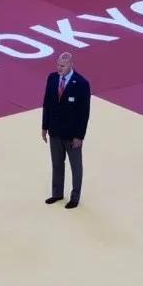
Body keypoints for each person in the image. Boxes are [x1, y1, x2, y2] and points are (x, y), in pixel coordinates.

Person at [42, 52, 91, 209]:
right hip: (55, 131)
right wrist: (44, 127)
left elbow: (84, 113)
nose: (59, 68)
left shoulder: (82, 83)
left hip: (72, 135)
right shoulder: (52, 78)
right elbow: (47, 104)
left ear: (70, 65)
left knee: (76, 167)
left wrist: (79, 136)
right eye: (58, 65)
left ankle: (75, 198)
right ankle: (57, 193)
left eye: (62, 66)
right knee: (57, 164)